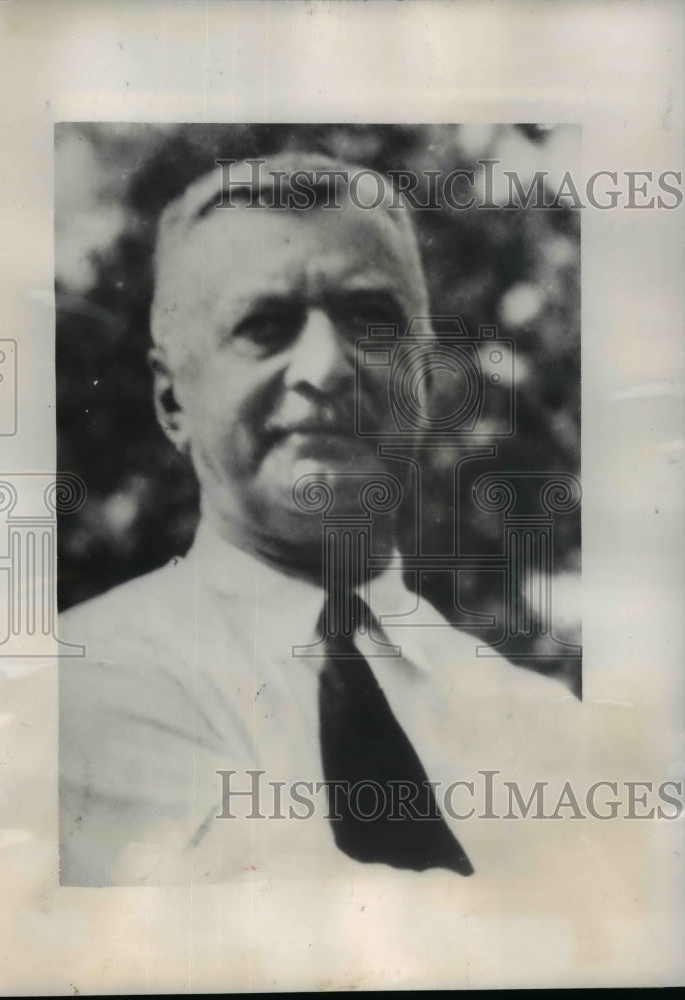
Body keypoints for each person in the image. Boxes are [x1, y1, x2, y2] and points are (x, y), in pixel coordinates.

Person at [59, 154, 582, 886]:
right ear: (172, 400)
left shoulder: (546, 729)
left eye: (371, 320)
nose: (327, 366)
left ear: (426, 380)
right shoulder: (72, 687)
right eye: (263, 326)